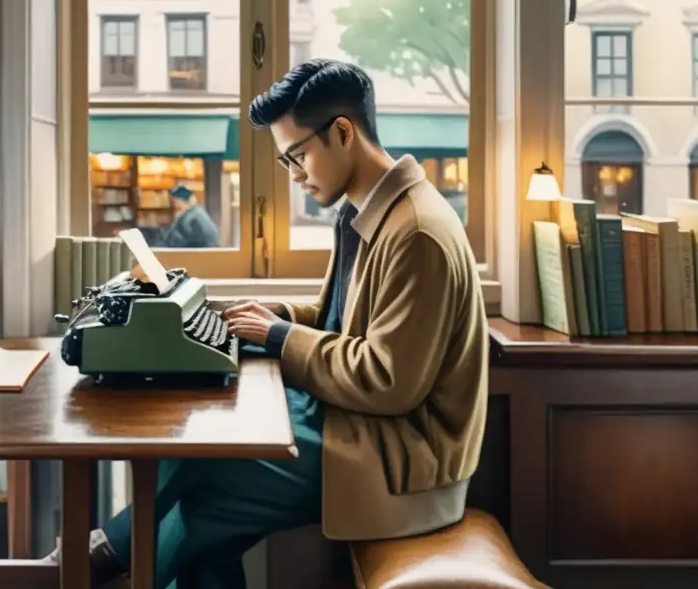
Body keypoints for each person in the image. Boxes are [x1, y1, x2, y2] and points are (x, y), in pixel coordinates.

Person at [50, 58, 489, 588]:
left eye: (297, 156)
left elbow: (387, 380)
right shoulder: (365, 211)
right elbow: (348, 322)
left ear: (343, 132)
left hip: (399, 461)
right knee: (200, 493)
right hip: (354, 425)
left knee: (201, 483)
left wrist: (278, 337)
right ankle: (97, 559)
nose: (295, 176)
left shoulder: (416, 231)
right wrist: (279, 315)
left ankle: (90, 563)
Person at [162, 183, 221, 249]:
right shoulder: (192, 215)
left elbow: (175, 242)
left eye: (175, 199)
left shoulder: (193, 217)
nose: (173, 202)